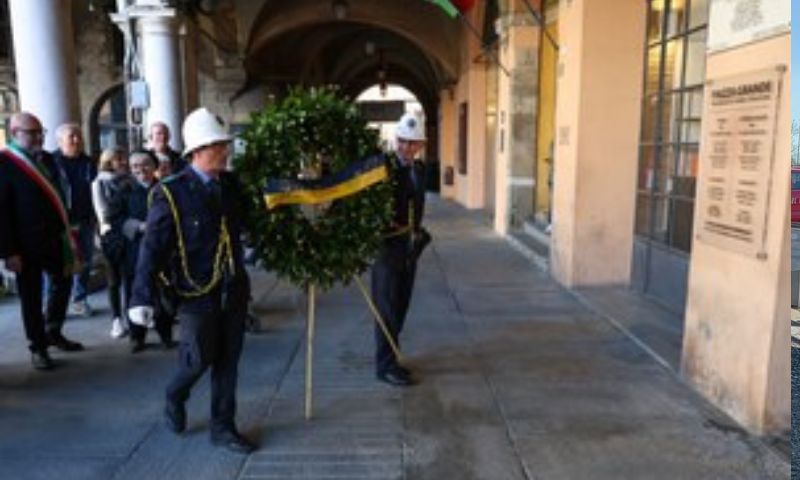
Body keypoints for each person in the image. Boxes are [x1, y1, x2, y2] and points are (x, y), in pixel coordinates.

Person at [129, 108, 254, 453]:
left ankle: (223, 427)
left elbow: (249, 222)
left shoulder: (230, 186)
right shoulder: (171, 193)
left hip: (233, 288)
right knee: (198, 358)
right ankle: (175, 393)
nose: (225, 151)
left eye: (224, 144)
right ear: (197, 151)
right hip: (196, 292)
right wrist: (140, 297)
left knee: (229, 361)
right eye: (218, 145)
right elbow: (151, 249)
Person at [0, 112, 84, 370]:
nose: (38, 138)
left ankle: (53, 330)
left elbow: (59, 194)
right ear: (14, 133)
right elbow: (1, 212)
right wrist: (9, 252)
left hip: (54, 239)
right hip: (24, 245)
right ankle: (38, 347)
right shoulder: (4, 163)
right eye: (32, 133)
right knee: (31, 296)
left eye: (40, 132)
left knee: (64, 280)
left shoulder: (47, 159)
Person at [371, 112, 431, 387]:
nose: (406, 147)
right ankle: (384, 366)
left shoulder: (418, 170)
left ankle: (392, 357)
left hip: (408, 250)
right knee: (386, 308)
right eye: (403, 141)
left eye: (412, 142)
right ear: (396, 141)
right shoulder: (383, 169)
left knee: (402, 305)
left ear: (420, 145)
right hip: (386, 249)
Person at [115, 151, 175, 352]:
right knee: (134, 291)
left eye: (145, 164)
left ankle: (165, 333)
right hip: (134, 250)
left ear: (155, 166)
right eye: (135, 166)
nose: (140, 170)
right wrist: (138, 227)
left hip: (162, 250)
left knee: (163, 292)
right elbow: (114, 218)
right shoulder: (123, 189)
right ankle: (136, 336)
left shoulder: (165, 189)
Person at [53, 123, 98, 317]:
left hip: (85, 220)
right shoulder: (51, 162)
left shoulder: (89, 162)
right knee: (58, 264)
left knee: (85, 262)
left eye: (79, 136)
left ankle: (79, 300)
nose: (77, 140)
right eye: (72, 136)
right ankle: (53, 304)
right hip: (60, 223)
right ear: (59, 141)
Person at [91, 148, 130, 339]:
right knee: (114, 280)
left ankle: (131, 316)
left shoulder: (129, 180)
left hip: (129, 236)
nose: (123, 162)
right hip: (110, 237)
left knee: (129, 278)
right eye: (118, 159)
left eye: (124, 158)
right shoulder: (99, 182)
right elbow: (104, 212)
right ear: (108, 161)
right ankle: (116, 319)